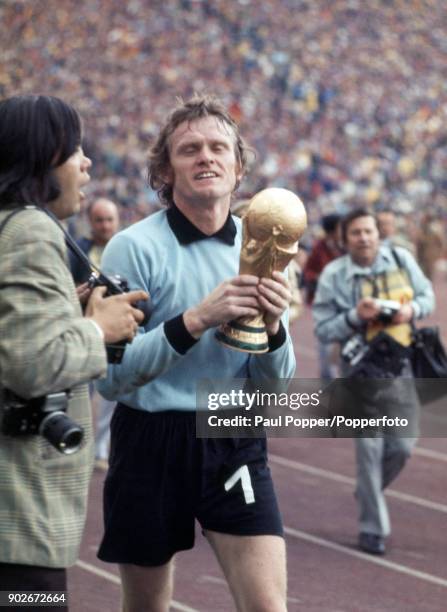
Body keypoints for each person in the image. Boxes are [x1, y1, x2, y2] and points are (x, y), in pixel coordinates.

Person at [96, 95, 295, 612]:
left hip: (234, 433)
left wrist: (273, 330)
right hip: (150, 439)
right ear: (165, 168)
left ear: (238, 165)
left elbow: (276, 390)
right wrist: (194, 321)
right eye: (189, 149)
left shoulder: (264, 248)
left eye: (217, 148)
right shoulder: (131, 248)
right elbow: (112, 381)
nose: (205, 157)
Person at [0, 94, 147, 599]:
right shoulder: (31, 231)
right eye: (75, 151)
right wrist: (98, 328)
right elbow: (30, 363)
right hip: (16, 518)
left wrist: (73, 312)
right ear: (42, 158)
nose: (86, 164)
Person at [312, 208, 434, 555]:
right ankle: (372, 529)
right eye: (356, 233)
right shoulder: (334, 275)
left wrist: (410, 311)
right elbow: (322, 328)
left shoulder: (401, 259)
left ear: (378, 235)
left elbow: (428, 297)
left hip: (400, 366)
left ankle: (368, 490)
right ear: (344, 239)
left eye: (369, 231)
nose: (364, 238)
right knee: (369, 450)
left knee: (402, 446)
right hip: (360, 371)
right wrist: (355, 316)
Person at [69, 197, 121, 469]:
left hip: (117, 332)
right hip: (85, 330)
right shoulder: (78, 250)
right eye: (99, 220)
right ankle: (76, 449)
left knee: (113, 392)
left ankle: (101, 449)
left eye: (109, 219)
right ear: (90, 222)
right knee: (81, 391)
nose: (105, 225)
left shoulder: (127, 247)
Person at [303, 213, 343, 378]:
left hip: (345, 304)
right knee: (325, 348)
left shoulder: (347, 246)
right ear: (332, 231)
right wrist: (320, 278)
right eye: (340, 227)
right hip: (325, 304)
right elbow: (308, 272)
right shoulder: (319, 247)